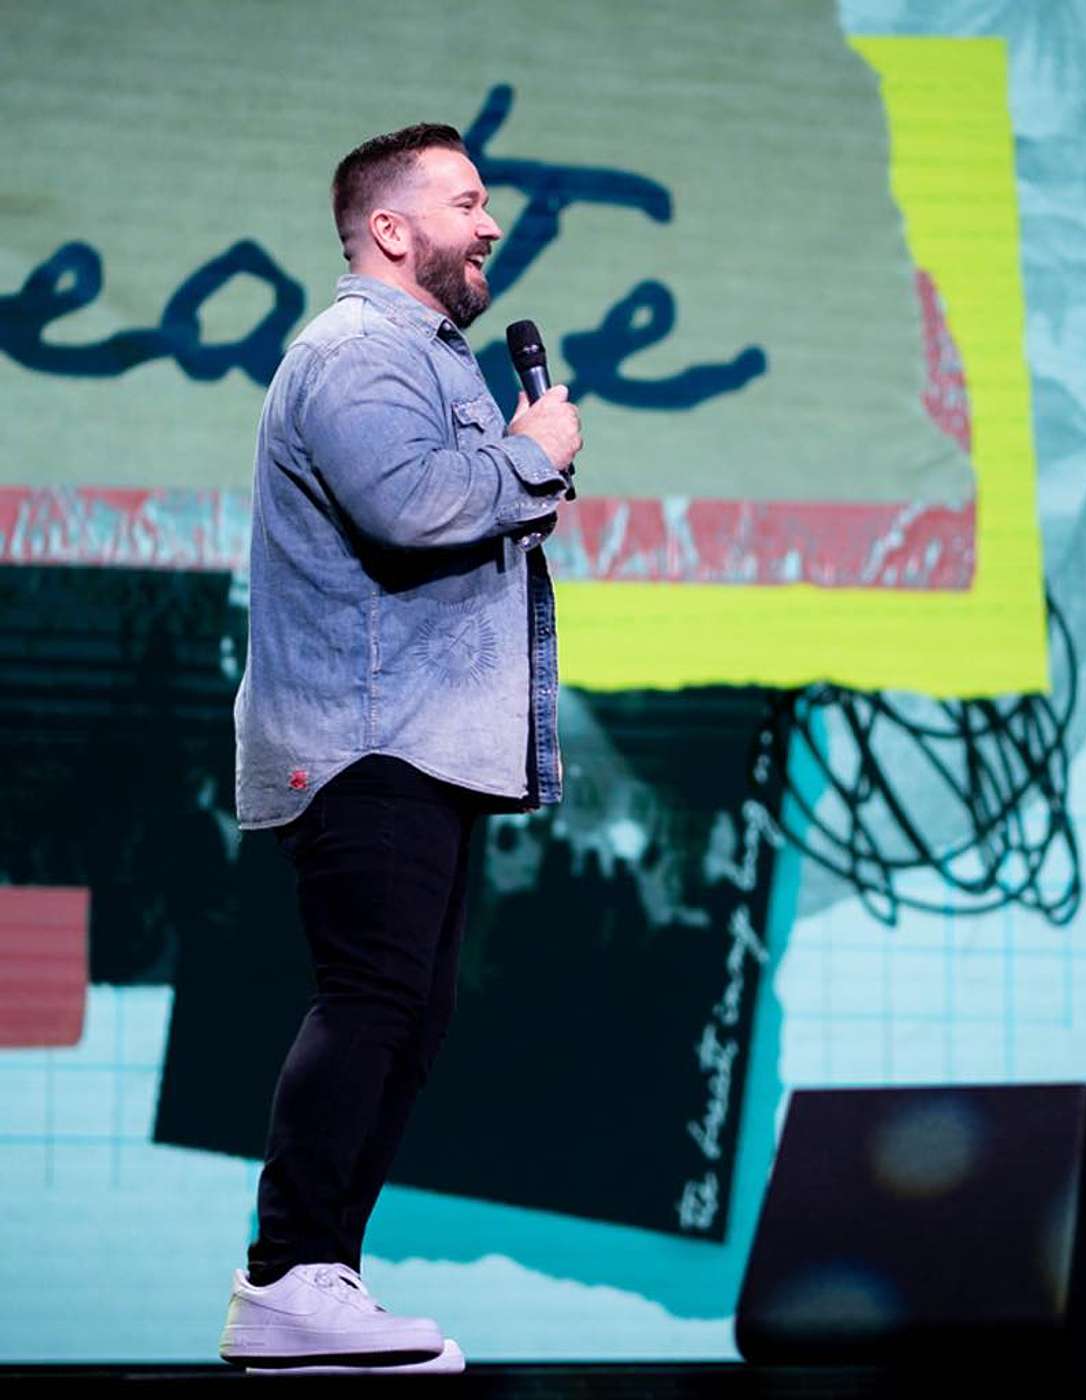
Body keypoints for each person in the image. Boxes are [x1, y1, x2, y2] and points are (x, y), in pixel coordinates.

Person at [217, 122, 580, 1375]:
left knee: (407, 1012)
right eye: (466, 202)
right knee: (373, 995)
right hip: (366, 739)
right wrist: (531, 454)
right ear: (388, 228)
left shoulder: (423, 356)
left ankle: (321, 1278)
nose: (491, 225)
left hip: (412, 739)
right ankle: (286, 1273)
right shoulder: (357, 352)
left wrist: (517, 466)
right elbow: (412, 507)